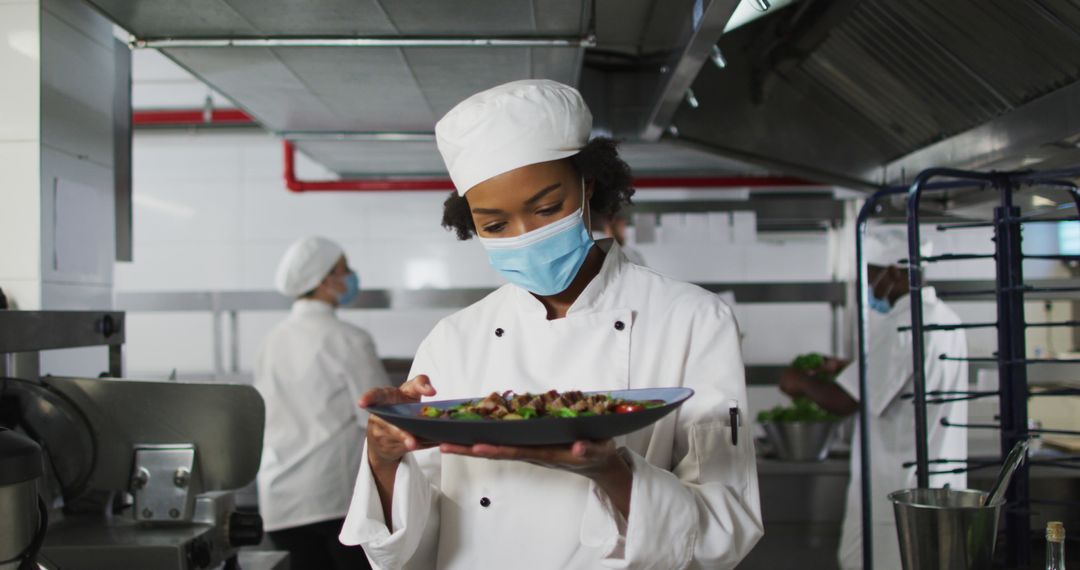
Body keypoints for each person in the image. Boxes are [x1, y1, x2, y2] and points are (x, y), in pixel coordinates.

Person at [339, 80, 762, 569]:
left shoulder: (691, 319)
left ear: (587, 185)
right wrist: (385, 458)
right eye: (495, 226)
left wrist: (611, 471)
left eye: (545, 208)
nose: (526, 237)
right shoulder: (454, 340)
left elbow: (725, 530)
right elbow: (401, 550)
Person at [778, 229, 968, 570]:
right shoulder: (945, 319)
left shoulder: (902, 326)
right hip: (940, 481)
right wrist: (846, 367)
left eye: (872, 276)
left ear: (894, 272)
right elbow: (904, 378)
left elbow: (843, 401)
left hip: (895, 489)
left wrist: (801, 382)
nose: (870, 289)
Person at [255, 236, 391, 570]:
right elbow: (381, 418)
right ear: (324, 281)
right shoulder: (348, 339)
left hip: (279, 500)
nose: (350, 278)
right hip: (333, 498)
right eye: (344, 271)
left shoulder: (271, 340)